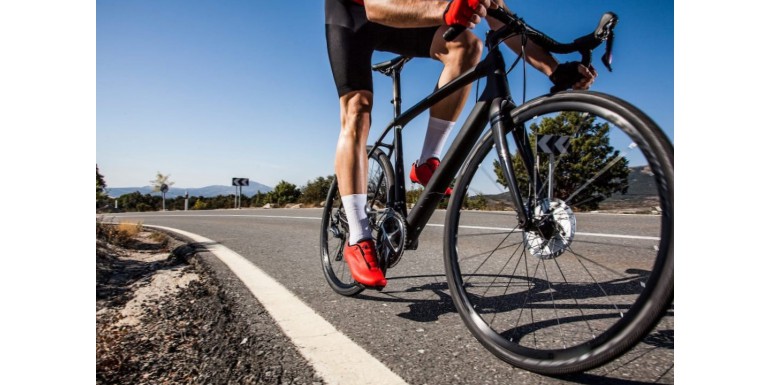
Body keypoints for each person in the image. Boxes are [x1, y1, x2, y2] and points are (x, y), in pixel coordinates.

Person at [324, 0, 596, 289]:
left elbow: (504, 24)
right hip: (355, 16)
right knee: (357, 109)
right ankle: (358, 234)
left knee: (468, 47)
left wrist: (553, 69)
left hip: (410, 16)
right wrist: (446, 9)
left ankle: (428, 160)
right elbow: (376, 8)